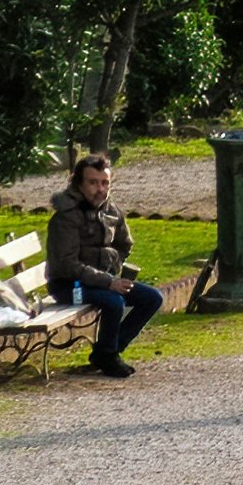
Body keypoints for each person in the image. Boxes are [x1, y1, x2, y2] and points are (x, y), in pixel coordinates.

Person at [43, 148, 157, 376]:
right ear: (78, 184)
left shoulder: (111, 210)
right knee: (114, 301)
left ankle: (108, 352)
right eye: (93, 183)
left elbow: (125, 244)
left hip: (102, 281)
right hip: (68, 284)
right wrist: (107, 281)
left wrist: (114, 266)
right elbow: (66, 264)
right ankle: (108, 355)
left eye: (105, 183)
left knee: (152, 298)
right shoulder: (66, 216)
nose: (100, 189)